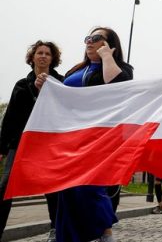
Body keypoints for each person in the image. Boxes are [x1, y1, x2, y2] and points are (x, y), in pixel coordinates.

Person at [54, 27, 133, 242]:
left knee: (91, 187)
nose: (90, 41)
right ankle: (67, 236)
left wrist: (106, 57)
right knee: (68, 189)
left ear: (109, 44)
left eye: (96, 38)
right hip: (72, 136)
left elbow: (116, 86)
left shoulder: (122, 68)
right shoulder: (76, 70)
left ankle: (105, 232)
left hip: (101, 137)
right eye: (88, 38)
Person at [0, 41, 64, 242]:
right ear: (33, 57)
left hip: (49, 145)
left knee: (53, 189)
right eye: (39, 53)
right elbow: (10, 118)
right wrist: (2, 147)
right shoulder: (21, 84)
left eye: (47, 53)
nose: (43, 56)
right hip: (20, 144)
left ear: (53, 59)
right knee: (5, 187)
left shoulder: (62, 83)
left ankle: (56, 229)